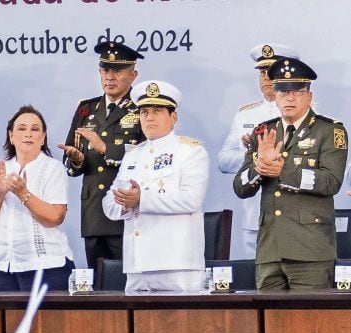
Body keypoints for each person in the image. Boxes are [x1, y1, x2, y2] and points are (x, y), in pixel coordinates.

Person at [234, 57, 348, 291]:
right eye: (283, 91)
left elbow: (331, 181)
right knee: (269, 322)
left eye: (297, 90)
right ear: (275, 96)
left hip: (310, 250)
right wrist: (259, 168)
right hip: (269, 251)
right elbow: (240, 187)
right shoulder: (263, 132)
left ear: (309, 96)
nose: (290, 97)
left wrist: (283, 170)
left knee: (310, 325)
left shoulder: (330, 131)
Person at [103, 81, 210, 293]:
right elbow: (109, 203)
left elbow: (191, 199)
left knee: (183, 324)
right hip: (137, 264)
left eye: (157, 111)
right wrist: (124, 204)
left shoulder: (190, 152)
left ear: (174, 117)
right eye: (144, 112)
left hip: (176, 262)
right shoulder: (133, 155)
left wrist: (140, 199)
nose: (149, 117)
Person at [59, 41, 146, 270]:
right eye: (105, 70)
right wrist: (76, 159)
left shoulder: (141, 110)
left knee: (128, 281)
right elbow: (71, 163)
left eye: (117, 71)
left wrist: (105, 148)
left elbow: (147, 155)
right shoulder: (86, 109)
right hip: (94, 213)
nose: (109, 77)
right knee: (98, 286)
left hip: (125, 209)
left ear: (133, 74)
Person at [0, 105, 73, 291]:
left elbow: (55, 217)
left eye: (35, 129)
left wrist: (23, 193)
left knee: (44, 321)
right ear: (11, 137)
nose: (28, 134)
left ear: (43, 138)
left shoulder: (53, 168)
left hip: (46, 266)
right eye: (21, 129)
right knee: (1, 320)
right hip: (0, 265)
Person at [217, 44, 298, 261]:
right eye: (262, 72)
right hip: (255, 215)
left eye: (271, 71)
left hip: (294, 215)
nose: (265, 77)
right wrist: (251, 154)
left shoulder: (306, 113)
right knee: (256, 285)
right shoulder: (245, 115)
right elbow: (224, 161)